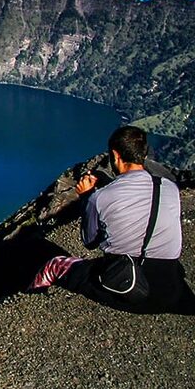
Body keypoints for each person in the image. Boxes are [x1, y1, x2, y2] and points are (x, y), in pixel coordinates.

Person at [29, 125, 195, 313]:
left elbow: (90, 241)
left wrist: (87, 197)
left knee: (54, 265)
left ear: (115, 155)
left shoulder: (101, 197)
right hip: (172, 289)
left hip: (128, 287)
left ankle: (30, 305)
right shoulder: (170, 188)